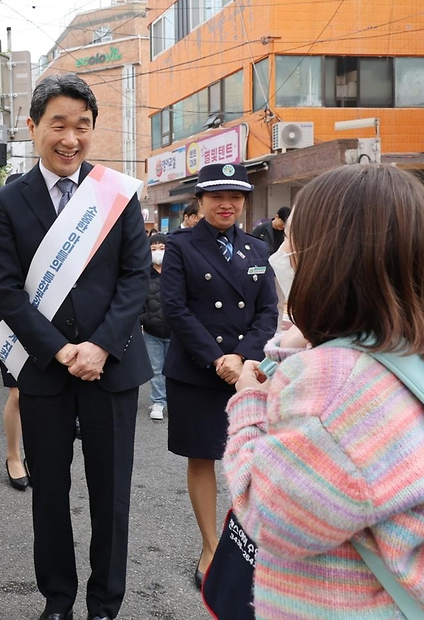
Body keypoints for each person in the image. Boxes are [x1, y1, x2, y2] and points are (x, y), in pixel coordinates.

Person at [225, 164, 424, 619]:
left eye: (293, 243)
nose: (284, 256)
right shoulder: (401, 352)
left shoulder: (335, 385)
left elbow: (267, 515)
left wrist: (249, 402)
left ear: (332, 259)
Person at [0, 73, 152, 620]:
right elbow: (5, 289)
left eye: (82, 126)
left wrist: (100, 346)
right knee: (50, 495)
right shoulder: (8, 202)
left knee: (111, 496)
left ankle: (105, 604)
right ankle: (58, 599)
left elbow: (135, 279)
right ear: (33, 127)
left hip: (112, 368)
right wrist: (60, 350)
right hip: (44, 372)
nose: (71, 138)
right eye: (59, 124)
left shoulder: (117, 194)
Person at [160, 162, 277, 589]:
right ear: (201, 200)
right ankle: (210, 545)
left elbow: (268, 311)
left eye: (235, 196)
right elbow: (175, 309)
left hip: (246, 372)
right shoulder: (181, 245)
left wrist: (243, 357)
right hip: (196, 370)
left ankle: (251, 542)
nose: (226, 204)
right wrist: (217, 358)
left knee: (251, 458)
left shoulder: (256, 249)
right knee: (203, 456)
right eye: (216, 196)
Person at [0, 172, 30, 491]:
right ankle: (14, 455)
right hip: (13, 320)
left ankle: (40, 453)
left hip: (54, 321)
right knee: (19, 392)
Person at [140, 233, 170, 421]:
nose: (158, 252)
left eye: (162, 248)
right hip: (152, 331)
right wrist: (145, 319)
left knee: (173, 368)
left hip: (176, 331)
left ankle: (172, 400)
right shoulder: (143, 274)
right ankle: (158, 401)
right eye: (153, 249)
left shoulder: (176, 271)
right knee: (156, 368)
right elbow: (138, 301)